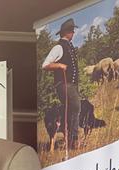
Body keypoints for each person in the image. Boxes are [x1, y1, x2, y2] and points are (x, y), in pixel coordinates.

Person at [42, 18, 80, 152]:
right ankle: (73, 141)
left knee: (71, 110)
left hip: (71, 85)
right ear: (67, 32)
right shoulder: (58, 47)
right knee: (75, 107)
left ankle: (70, 138)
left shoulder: (69, 47)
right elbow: (45, 65)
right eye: (72, 30)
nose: (74, 33)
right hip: (63, 84)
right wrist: (58, 65)